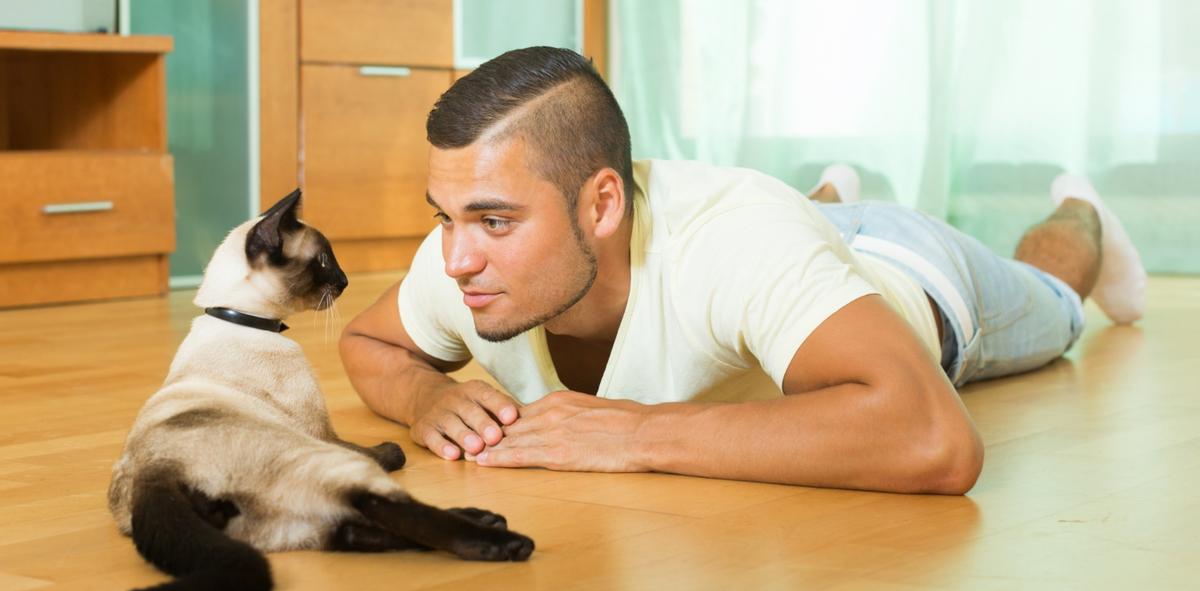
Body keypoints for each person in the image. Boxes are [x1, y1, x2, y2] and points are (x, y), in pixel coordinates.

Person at [339, 47, 1146, 495]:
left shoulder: (739, 235)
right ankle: (829, 194)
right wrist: (428, 395)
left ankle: (1085, 214)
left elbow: (936, 440)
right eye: (444, 216)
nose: (455, 256)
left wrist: (637, 431)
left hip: (913, 272)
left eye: (493, 221)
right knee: (785, 231)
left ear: (602, 204)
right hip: (791, 241)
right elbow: (371, 345)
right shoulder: (464, 253)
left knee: (1054, 299)